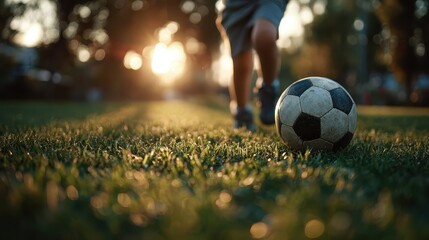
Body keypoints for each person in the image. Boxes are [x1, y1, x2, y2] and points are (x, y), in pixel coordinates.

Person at [217, 0, 288, 132]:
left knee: (264, 36)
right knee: (241, 64)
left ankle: (268, 90)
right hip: (235, 5)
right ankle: (241, 111)